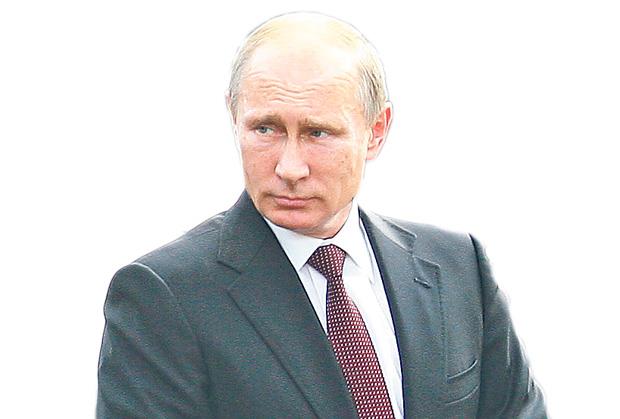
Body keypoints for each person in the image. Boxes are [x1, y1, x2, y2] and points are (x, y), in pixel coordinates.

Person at [97, 12, 547, 418]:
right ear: (234, 118)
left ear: (376, 131)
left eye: (318, 133)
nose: (289, 167)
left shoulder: (457, 266)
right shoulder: (164, 296)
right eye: (265, 129)